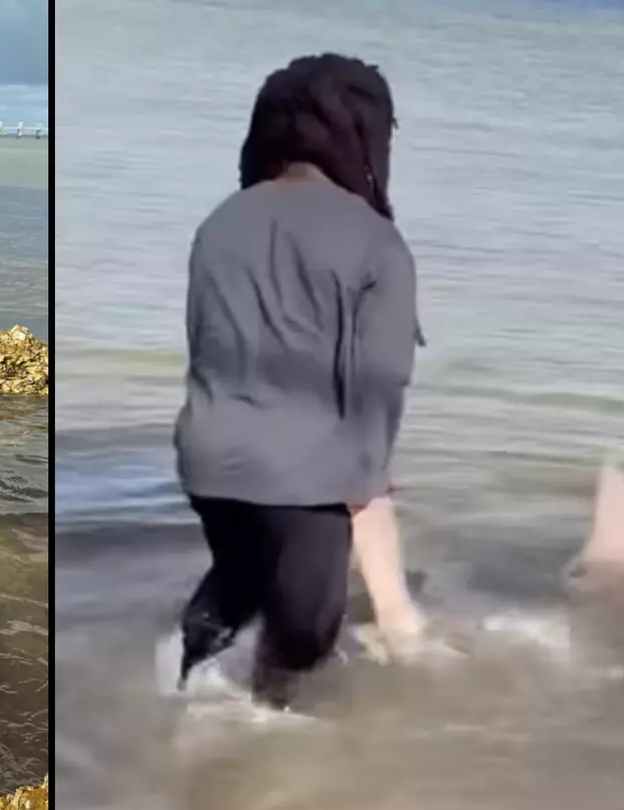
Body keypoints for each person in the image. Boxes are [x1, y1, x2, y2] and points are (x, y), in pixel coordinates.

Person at [172, 53, 428, 707]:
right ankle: (259, 733)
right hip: (304, 471)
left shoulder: (220, 223)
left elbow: (209, 349)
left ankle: (182, 686)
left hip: (208, 456)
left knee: (238, 582)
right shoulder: (376, 242)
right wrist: (365, 487)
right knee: (304, 635)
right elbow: (380, 386)